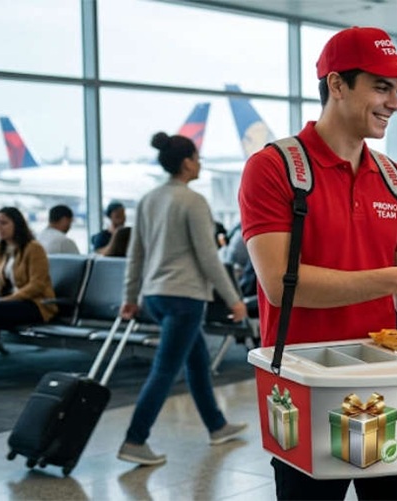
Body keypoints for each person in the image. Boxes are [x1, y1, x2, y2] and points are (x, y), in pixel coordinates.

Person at [238, 26, 397, 500]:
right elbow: (281, 285)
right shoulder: (274, 168)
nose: (395, 103)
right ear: (337, 85)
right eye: (382, 87)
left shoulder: (394, 178)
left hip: (386, 389)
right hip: (305, 391)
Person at [117, 132, 249, 466]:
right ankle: (135, 439)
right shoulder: (192, 201)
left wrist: (130, 296)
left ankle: (217, 425)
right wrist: (233, 298)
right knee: (165, 370)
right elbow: (209, 258)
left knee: (196, 361)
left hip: (156, 295)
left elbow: (136, 253)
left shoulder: (149, 199)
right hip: (184, 296)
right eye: (198, 157)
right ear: (187, 162)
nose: (200, 162)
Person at [0, 207, 56, 383]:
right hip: (12, 303)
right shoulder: (1, 248)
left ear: (17, 225)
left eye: (4, 223)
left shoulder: (34, 248)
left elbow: (37, 285)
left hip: (37, 304)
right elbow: (5, 278)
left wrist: (6, 300)